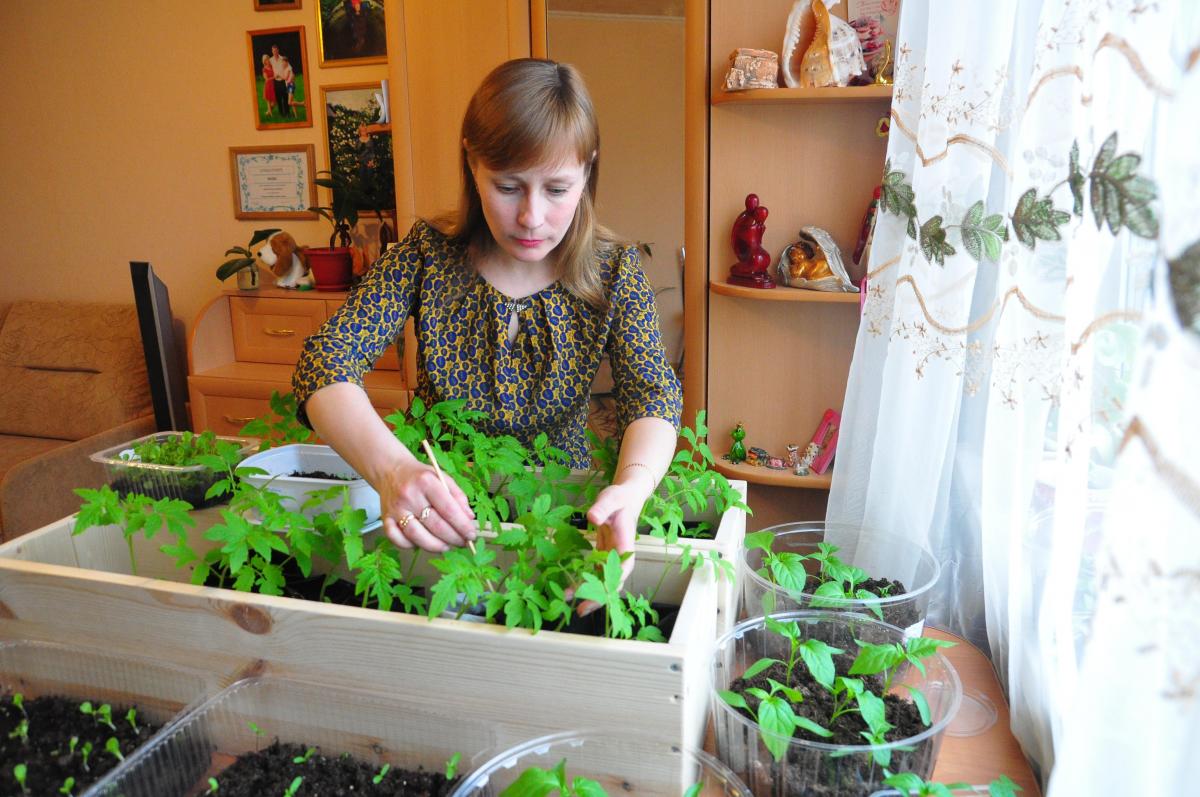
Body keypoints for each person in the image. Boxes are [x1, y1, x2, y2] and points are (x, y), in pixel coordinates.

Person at [292, 58, 681, 597]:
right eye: (508, 186)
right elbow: (326, 361)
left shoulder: (615, 271)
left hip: (562, 520)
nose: (531, 217)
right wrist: (394, 472)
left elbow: (652, 395)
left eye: (557, 189)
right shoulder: (426, 255)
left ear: (588, 170)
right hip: (435, 525)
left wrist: (633, 488)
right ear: (471, 163)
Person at [268, 45, 290, 118]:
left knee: (285, 97)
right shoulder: (271, 60)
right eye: (273, 51)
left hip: (283, 80)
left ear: (278, 50)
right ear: (272, 51)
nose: (274, 52)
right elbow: (267, 67)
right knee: (278, 98)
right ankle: (281, 113)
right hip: (276, 81)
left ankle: (287, 113)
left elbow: (288, 67)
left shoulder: (282, 59)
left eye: (275, 50)